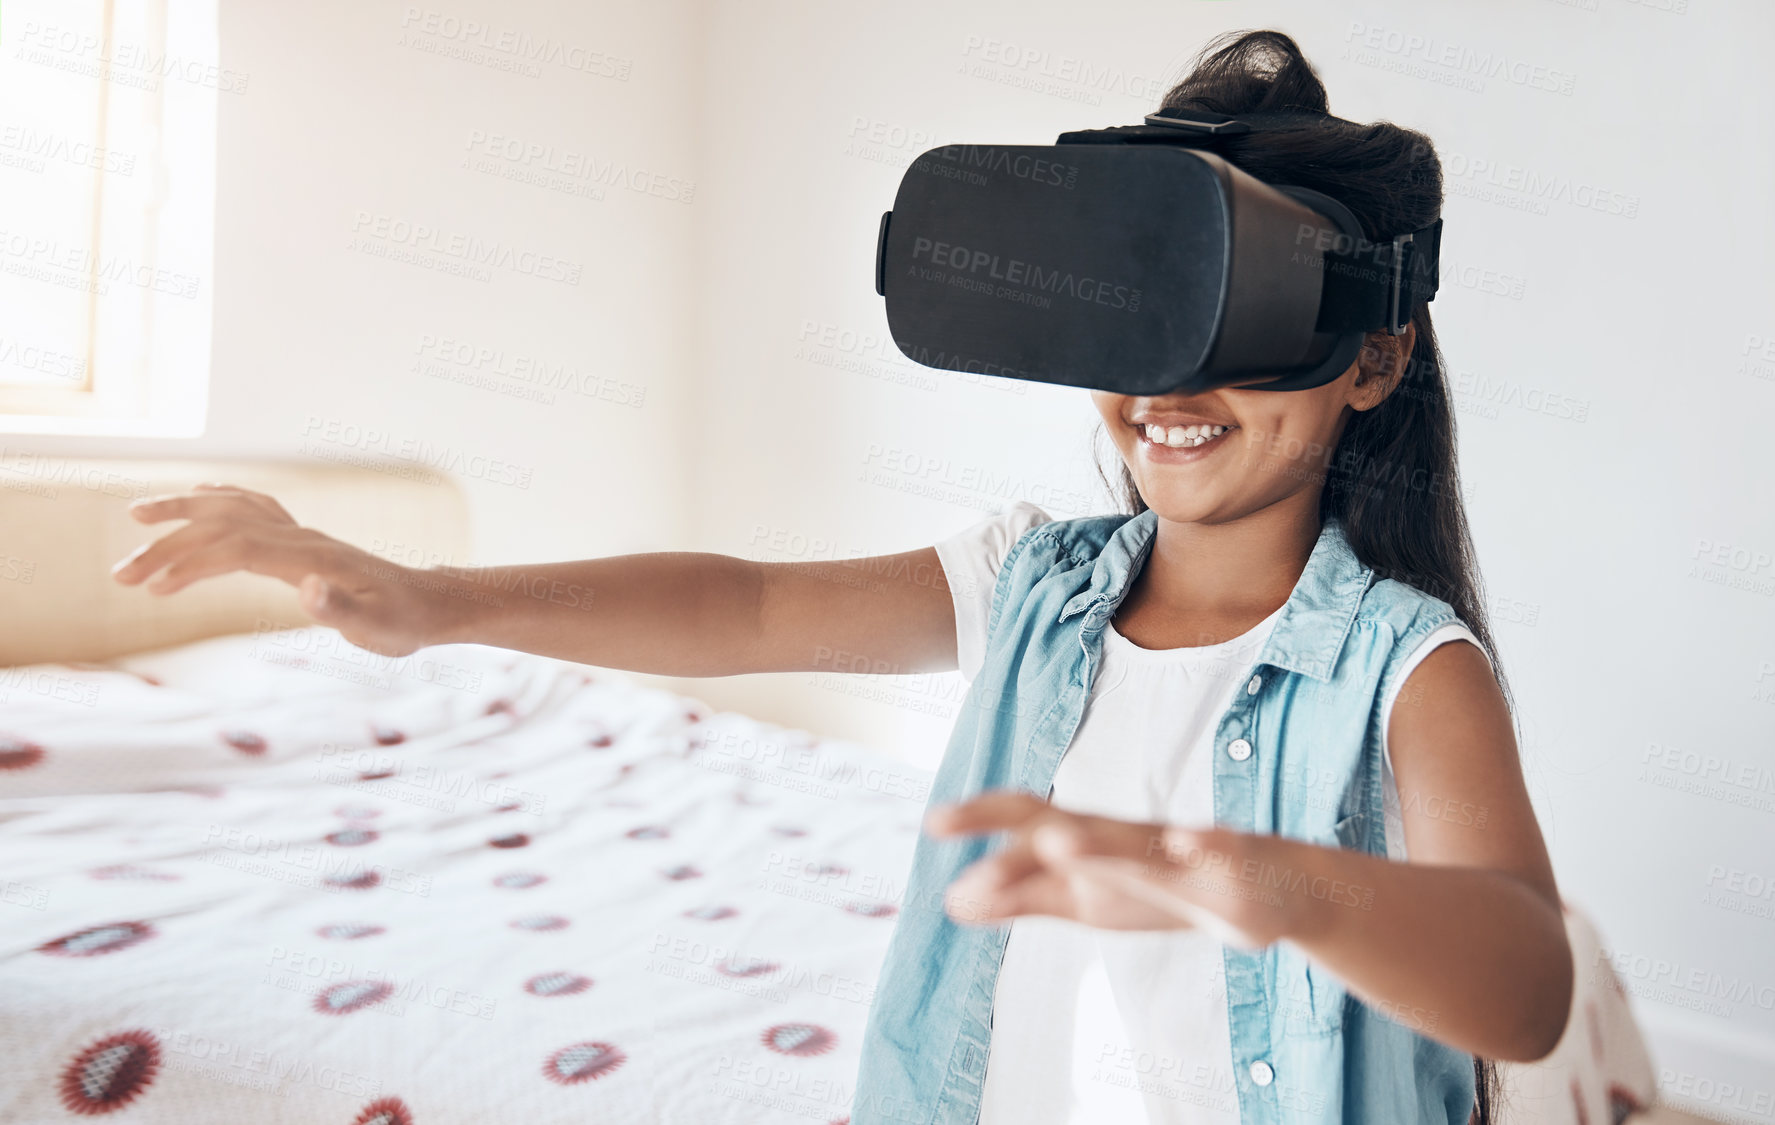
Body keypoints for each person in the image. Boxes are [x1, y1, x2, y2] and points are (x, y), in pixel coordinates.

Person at [111, 28, 1570, 1125]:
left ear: (1370, 356)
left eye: (1232, 314)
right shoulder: (1037, 582)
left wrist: (1268, 884)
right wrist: (432, 598)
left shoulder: (1404, 667)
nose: (1169, 383)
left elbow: (1525, 979)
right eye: (1140, 310)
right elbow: (741, 605)